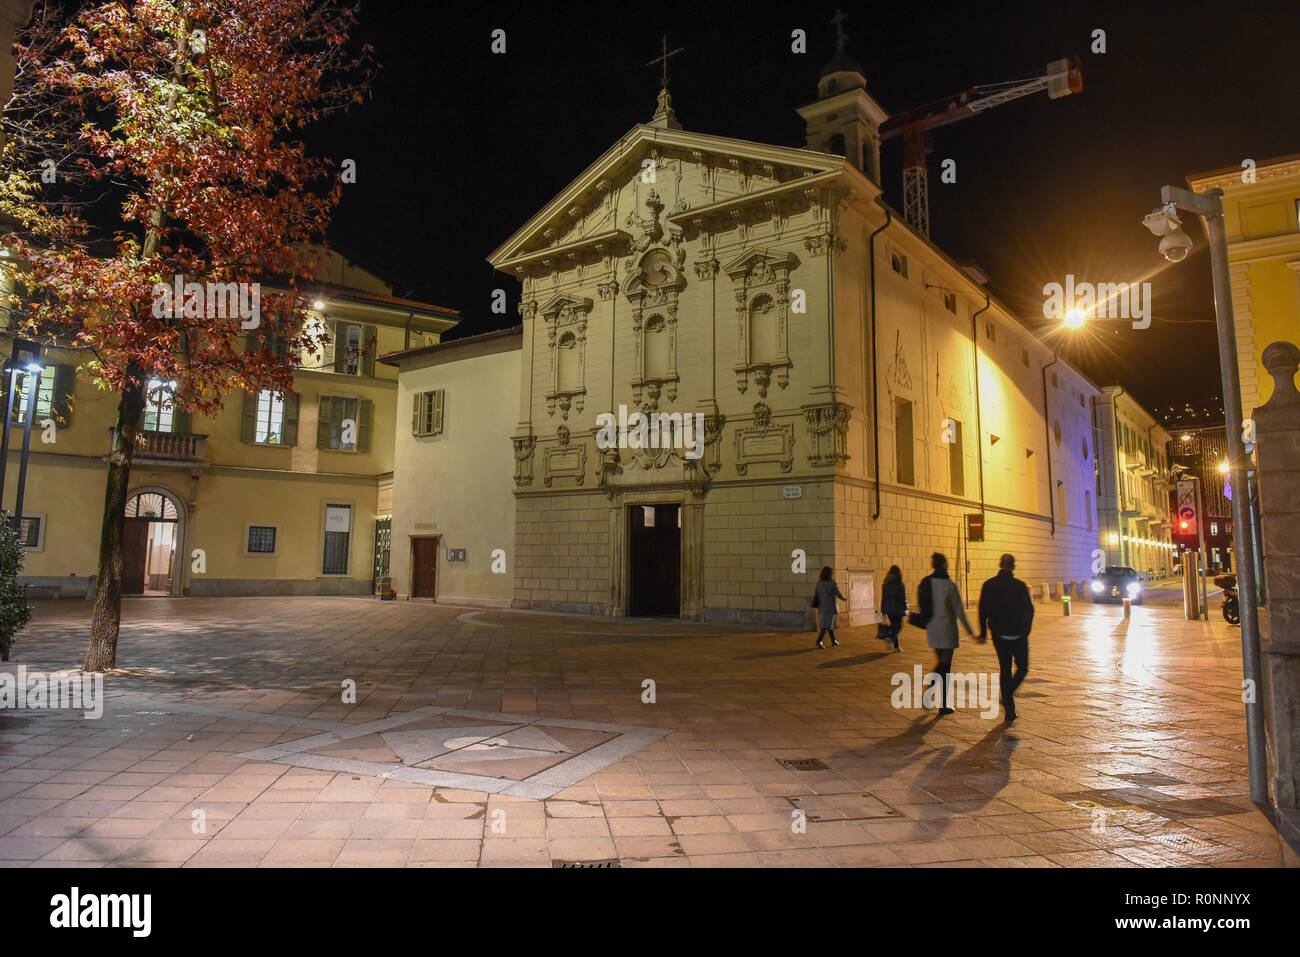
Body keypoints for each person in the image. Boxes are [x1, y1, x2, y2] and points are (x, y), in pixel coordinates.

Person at [976, 553, 1034, 724]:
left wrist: (983, 632)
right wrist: (1026, 630)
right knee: (1022, 667)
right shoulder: (1020, 586)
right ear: (1013, 567)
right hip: (1018, 635)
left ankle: (1010, 709)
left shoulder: (989, 585)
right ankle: (1008, 696)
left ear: (999, 564)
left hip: (999, 634)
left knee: (1005, 669)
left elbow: (982, 610)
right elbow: (1029, 610)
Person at [918, 552, 973, 715]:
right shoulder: (949, 585)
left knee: (941, 662)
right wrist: (970, 632)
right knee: (945, 666)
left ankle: (931, 694)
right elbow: (959, 611)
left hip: (933, 629)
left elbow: (922, 606)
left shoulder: (926, 583)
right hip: (948, 630)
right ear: (943, 565)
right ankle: (941, 703)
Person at [813, 566, 847, 649]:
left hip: (821, 606)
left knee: (829, 624)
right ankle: (819, 641)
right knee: (826, 625)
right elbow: (838, 593)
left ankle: (834, 640)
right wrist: (844, 598)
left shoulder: (819, 583)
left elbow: (817, 595)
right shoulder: (832, 583)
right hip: (830, 607)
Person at [879, 565, 906, 652]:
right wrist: (905, 606)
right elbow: (902, 597)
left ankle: (896, 646)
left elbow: (883, 596)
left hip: (888, 607)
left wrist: (882, 608)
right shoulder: (900, 583)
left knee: (894, 626)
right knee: (898, 627)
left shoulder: (886, 582)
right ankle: (890, 638)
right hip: (897, 608)